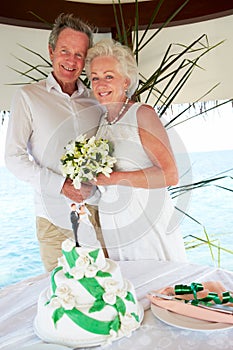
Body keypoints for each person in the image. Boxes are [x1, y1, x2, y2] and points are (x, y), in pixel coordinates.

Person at [4, 13, 103, 272]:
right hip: (53, 218)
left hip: (100, 213)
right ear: (51, 51)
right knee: (64, 297)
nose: (71, 61)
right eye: (65, 51)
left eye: (79, 54)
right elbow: (13, 157)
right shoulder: (28, 97)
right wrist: (62, 186)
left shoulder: (97, 100)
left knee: (108, 291)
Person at [85, 38, 187, 261]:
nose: (101, 84)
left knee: (158, 287)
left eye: (109, 76)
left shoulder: (142, 114)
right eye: (95, 78)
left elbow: (170, 174)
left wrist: (114, 178)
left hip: (146, 220)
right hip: (114, 222)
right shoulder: (103, 123)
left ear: (126, 81)